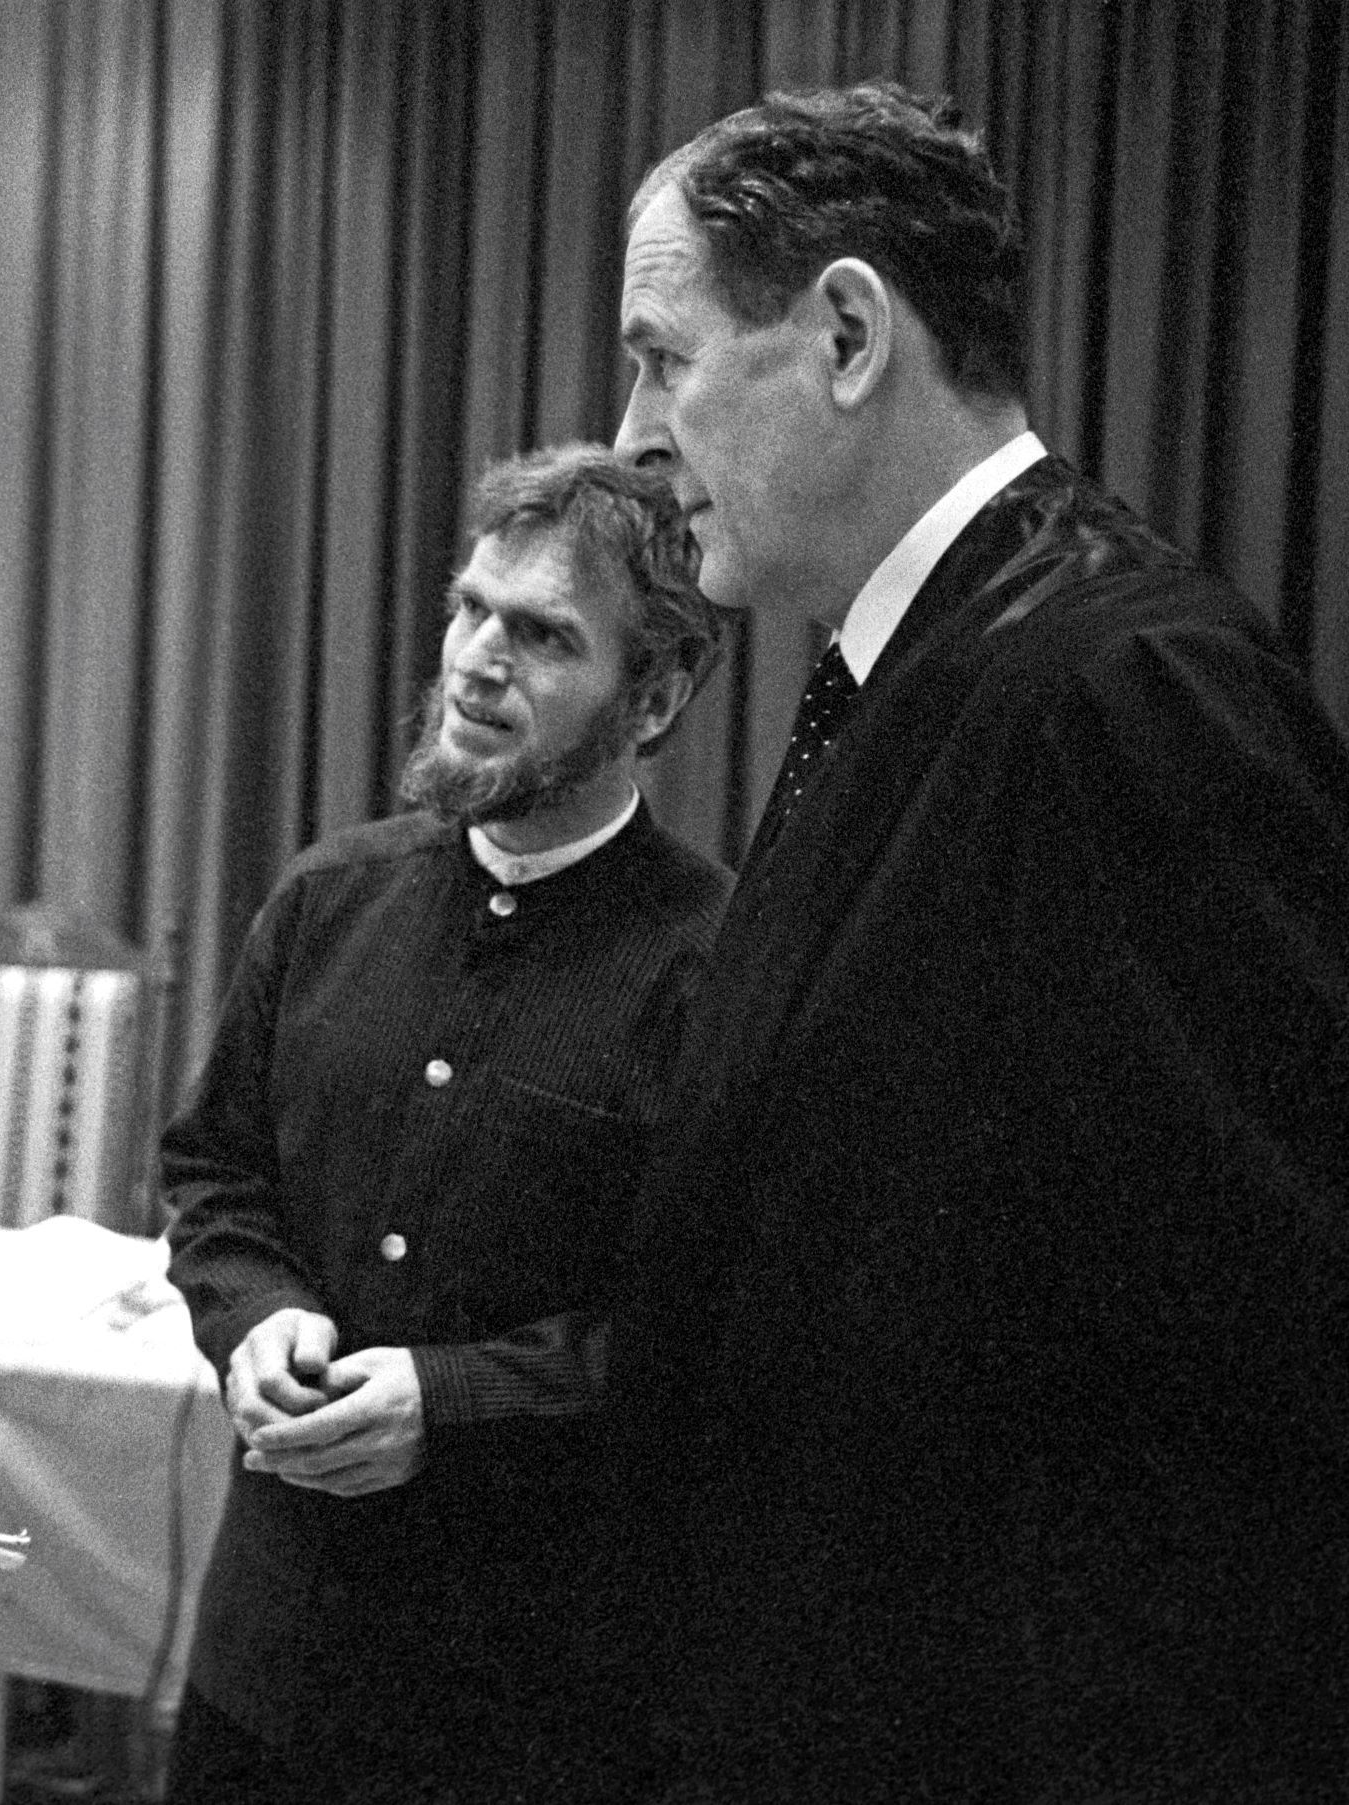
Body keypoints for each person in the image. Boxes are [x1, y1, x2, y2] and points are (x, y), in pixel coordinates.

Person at [593, 80, 1349, 1798]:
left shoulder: (1123, 686)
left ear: (850, 333)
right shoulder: (927, 664)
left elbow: (1251, 1394)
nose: (631, 433)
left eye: (663, 359)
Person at [161, 446, 732, 1804]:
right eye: (472, 607)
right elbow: (215, 1174)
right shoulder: (327, 896)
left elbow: (715, 1334)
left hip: (532, 1709)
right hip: (265, 1667)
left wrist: (453, 1401)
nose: (478, 659)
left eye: (543, 636)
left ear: (655, 697)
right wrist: (257, 1317)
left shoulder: (722, 968)